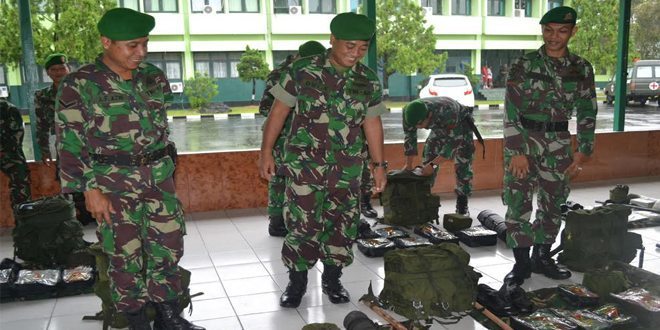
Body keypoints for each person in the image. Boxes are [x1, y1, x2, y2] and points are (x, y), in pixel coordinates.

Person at [54, 8, 203, 330]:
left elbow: (160, 129)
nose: (142, 52)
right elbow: (69, 142)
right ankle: (135, 320)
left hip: (159, 180)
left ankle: (167, 315)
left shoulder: (152, 77)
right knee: (125, 254)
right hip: (111, 184)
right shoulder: (78, 84)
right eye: (132, 45)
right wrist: (89, 191)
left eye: (145, 44)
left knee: (168, 248)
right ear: (106, 42)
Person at [258, 12, 387, 308]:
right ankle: (297, 282)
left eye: (362, 48)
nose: (355, 54)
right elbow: (278, 113)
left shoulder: (366, 79)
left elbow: (372, 123)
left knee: (342, 225)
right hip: (305, 167)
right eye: (349, 46)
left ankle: (332, 279)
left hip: (347, 169)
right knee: (302, 225)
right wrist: (265, 152)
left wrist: (379, 166)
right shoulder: (303, 70)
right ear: (332, 40)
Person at [501, 5, 597, 293]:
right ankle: (520, 263)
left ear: (573, 32)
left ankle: (542, 257)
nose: (554, 37)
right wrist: (516, 149)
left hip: (559, 144)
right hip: (524, 141)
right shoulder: (523, 64)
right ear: (542, 31)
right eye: (548, 30)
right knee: (518, 202)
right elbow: (510, 109)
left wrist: (583, 150)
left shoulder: (582, 68)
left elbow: (587, 110)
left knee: (554, 203)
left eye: (562, 31)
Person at [260, 40, 327, 237]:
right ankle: (277, 220)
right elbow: (266, 109)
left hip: (305, 135)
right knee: (279, 175)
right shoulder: (281, 75)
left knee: (302, 177)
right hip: (281, 134)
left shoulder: (319, 71)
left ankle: (303, 219)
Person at [402, 97, 482, 215]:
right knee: (428, 158)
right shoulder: (409, 113)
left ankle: (462, 203)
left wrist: (432, 166)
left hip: (460, 125)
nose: (419, 128)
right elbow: (410, 138)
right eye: (416, 126)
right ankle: (423, 199)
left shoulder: (448, 113)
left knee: (462, 163)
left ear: (428, 115)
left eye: (420, 125)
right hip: (438, 124)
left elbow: (449, 149)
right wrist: (408, 165)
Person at [35, 53, 70, 163]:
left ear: (68, 69)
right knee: (63, 178)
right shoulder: (42, 96)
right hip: (63, 147)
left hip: (88, 147)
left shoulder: (83, 91)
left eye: (62, 68)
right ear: (47, 72)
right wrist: (44, 150)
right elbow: (41, 126)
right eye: (53, 69)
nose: (58, 72)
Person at [0, 98, 32, 207]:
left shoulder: (8, 108)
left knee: (20, 179)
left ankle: (25, 215)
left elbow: (17, 136)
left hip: (8, 154)